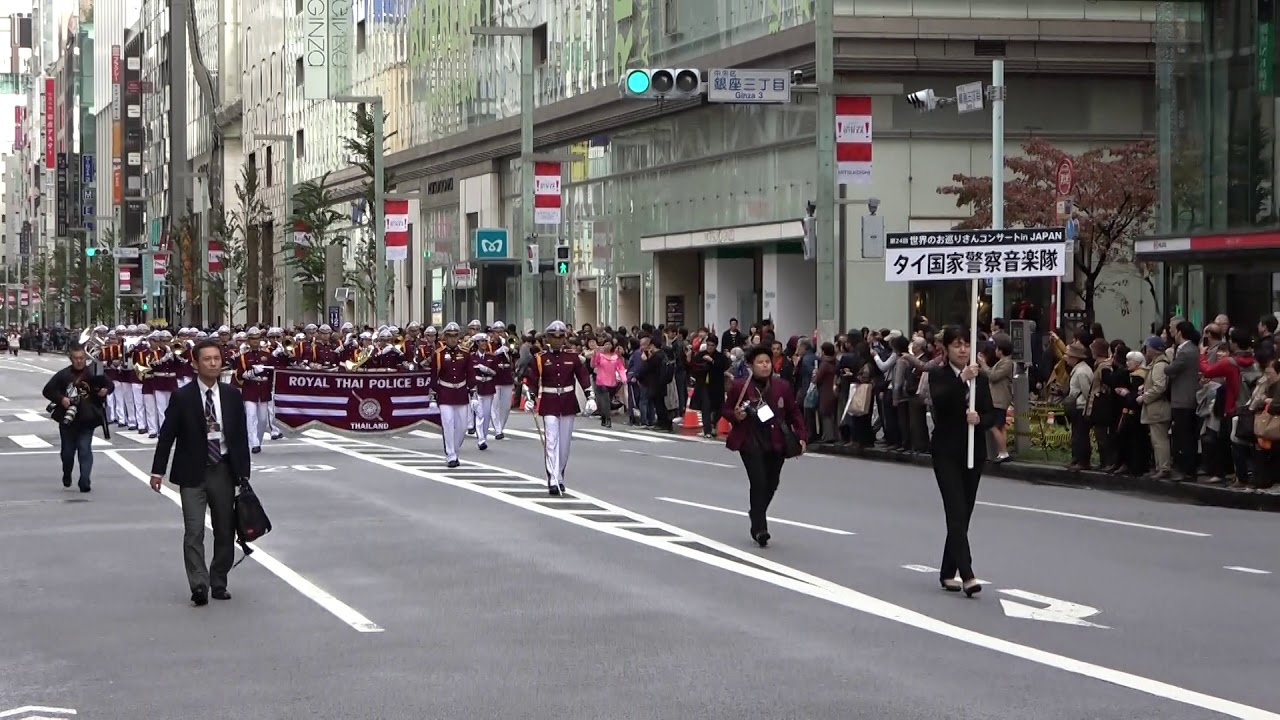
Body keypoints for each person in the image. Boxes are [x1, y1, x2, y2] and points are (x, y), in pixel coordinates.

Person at [149, 340, 252, 607]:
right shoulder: (182, 397)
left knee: (225, 530)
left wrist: (243, 474)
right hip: (192, 472)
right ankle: (198, 584)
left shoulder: (232, 395)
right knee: (194, 530)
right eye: (207, 359)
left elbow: (240, 436)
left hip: (223, 470)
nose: (213, 363)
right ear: (195, 364)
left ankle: (219, 580)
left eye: (217, 358)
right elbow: (167, 436)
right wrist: (157, 471)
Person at [927, 325, 1002, 597]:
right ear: (946, 349)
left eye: (966, 345)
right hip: (946, 451)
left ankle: (948, 571)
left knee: (964, 513)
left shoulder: (979, 378)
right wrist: (961, 380)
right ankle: (967, 574)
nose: (962, 350)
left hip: (973, 451)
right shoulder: (939, 374)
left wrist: (980, 419)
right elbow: (941, 402)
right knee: (955, 510)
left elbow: (992, 413)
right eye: (956, 345)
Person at [722, 344, 807, 547]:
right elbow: (726, 410)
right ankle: (760, 528)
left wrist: (802, 436)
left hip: (776, 440)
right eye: (760, 362)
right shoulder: (741, 386)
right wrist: (736, 416)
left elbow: (794, 412)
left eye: (767, 361)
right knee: (758, 482)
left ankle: (756, 512)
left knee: (772, 483)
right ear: (751, 365)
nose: (765, 365)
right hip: (750, 440)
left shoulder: (782, 386)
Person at [522, 320, 595, 496]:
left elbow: (583, 377)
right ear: (548, 338)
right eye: (554, 337)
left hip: (568, 401)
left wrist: (590, 397)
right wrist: (529, 397)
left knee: (564, 444)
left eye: (560, 337)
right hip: (549, 401)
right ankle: (553, 478)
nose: (557, 340)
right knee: (551, 441)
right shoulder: (540, 358)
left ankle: (559, 473)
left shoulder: (572, 357)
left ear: (564, 338)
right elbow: (531, 380)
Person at [42, 343, 112, 492]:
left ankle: (85, 480)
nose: (79, 361)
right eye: (76, 358)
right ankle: (67, 473)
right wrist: (61, 399)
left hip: (88, 418)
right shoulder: (63, 375)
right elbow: (47, 390)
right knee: (67, 452)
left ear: (85, 358)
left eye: (82, 358)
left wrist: (105, 390)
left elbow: (109, 384)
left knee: (84, 449)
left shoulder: (94, 373)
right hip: (68, 420)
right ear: (71, 358)